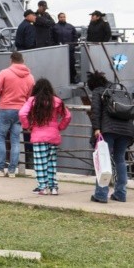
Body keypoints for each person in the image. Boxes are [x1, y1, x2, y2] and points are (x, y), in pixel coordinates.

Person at [19, 78, 72, 196]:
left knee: (40, 162)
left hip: (38, 134)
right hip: (53, 135)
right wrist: (59, 127)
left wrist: (28, 126)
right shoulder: (57, 101)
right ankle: (53, 187)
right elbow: (67, 116)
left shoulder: (32, 101)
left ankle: (43, 186)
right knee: (51, 162)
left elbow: (22, 113)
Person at [0, 51, 35, 178]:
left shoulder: (5, 73)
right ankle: (12, 170)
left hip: (5, 109)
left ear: (11, 60)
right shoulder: (30, 77)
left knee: (0, 138)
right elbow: (30, 96)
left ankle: (0, 168)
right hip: (21, 111)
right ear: (22, 60)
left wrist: (4, 92)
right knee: (15, 141)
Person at [88, 71, 134, 203]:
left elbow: (95, 111)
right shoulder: (118, 91)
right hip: (126, 130)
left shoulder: (98, 91)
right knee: (120, 159)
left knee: (104, 161)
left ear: (93, 85)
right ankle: (120, 193)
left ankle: (101, 194)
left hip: (108, 130)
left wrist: (96, 128)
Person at [53, 12, 79, 83]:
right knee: (59, 65)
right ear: (58, 18)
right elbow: (52, 38)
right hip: (59, 51)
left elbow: (75, 36)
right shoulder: (54, 27)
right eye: (61, 17)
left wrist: (73, 45)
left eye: (64, 17)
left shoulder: (70, 26)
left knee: (71, 64)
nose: (62, 18)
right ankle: (60, 80)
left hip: (70, 50)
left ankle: (72, 79)